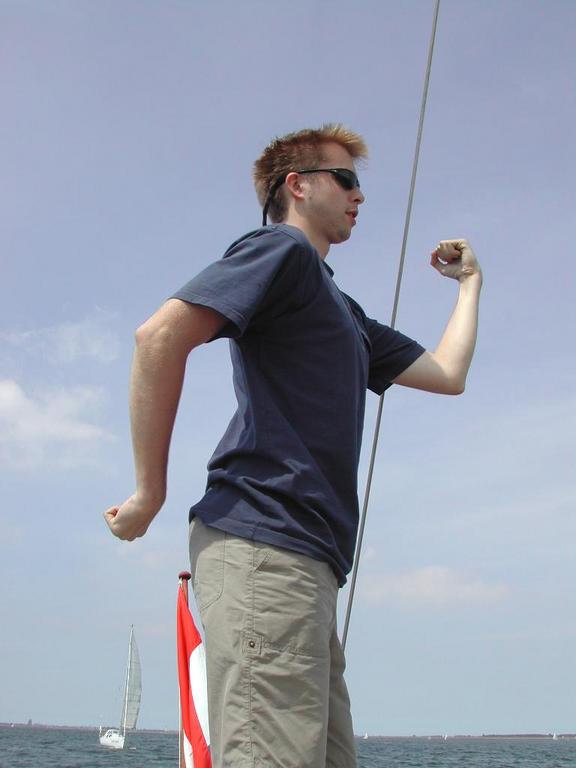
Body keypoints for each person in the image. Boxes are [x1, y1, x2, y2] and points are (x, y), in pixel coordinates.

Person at [104, 124, 482, 768]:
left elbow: (447, 375)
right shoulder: (283, 251)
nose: (361, 195)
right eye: (347, 179)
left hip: (306, 563)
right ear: (298, 185)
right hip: (265, 545)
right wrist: (150, 493)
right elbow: (159, 337)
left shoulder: (344, 311)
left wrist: (470, 283)